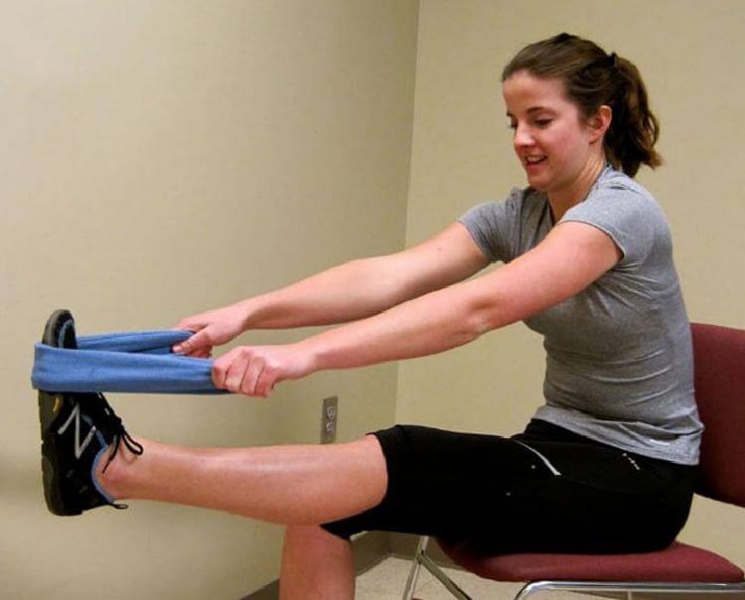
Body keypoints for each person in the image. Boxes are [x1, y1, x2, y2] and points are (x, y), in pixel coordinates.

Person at [38, 33, 702, 599]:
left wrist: (306, 355)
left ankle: (113, 466)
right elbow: (390, 276)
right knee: (322, 507)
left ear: (596, 122)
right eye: (511, 122)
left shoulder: (620, 213)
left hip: (635, 479)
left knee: (403, 454)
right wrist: (251, 313)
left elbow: (480, 308)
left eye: (540, 119)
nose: (521, 139)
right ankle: (111, 465)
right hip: (555, 444)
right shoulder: (520, 212)